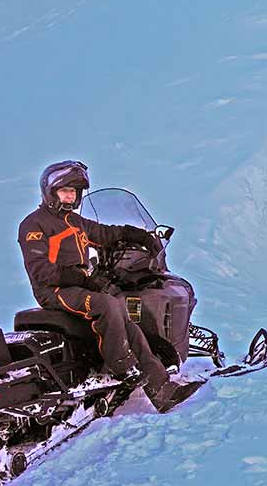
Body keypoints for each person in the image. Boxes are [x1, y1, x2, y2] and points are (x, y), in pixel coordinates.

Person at [18, 160, 176, 405]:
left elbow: (104, 234)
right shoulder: (34, 224)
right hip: (54, 291)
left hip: (77, 286)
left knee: (125, 320)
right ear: (50, 192)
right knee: (106, 304)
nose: (70, 197)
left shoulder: (75, 221)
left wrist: (136, 234)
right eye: (65, 191)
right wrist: (83, 279)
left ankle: (162, 388)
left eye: (74, 192)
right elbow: (41, 271)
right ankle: (121, 367)